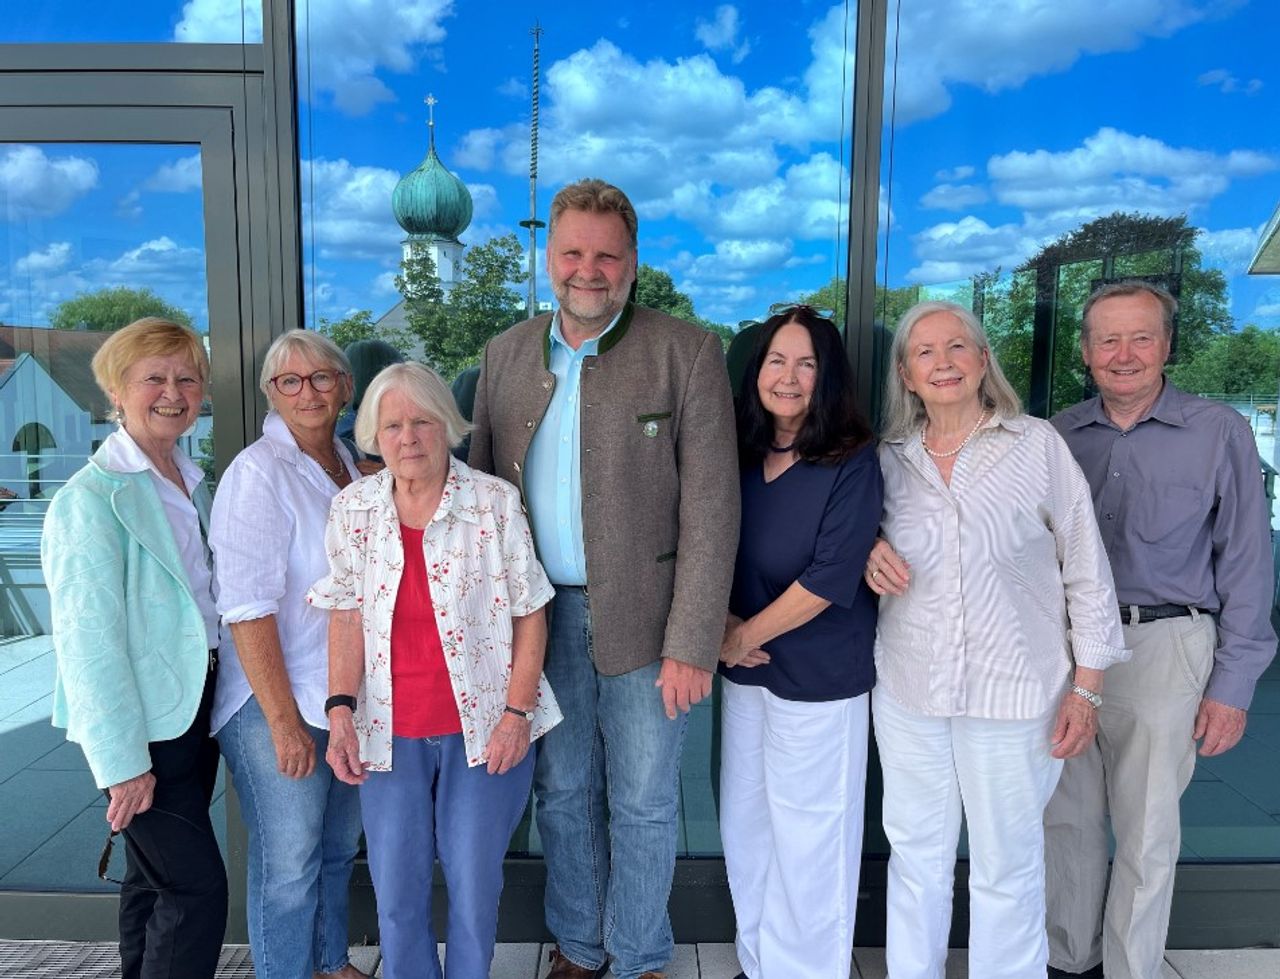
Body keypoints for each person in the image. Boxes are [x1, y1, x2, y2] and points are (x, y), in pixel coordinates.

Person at [469, 178, 739, 979]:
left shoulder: (685, 350)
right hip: (538, 624)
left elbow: (714, 511)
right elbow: (480, 498)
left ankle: (642, 954)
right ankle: (581, 947)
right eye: (574, 253)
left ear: (632, 262)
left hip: (653, 626)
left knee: (647, 801)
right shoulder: (505, 354)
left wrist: (693, 640)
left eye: (607, 255)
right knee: (562, 794)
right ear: (549, 257)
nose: (589, 270)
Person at [864, 300, 1129, 979]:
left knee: (1006, 863)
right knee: (917, 856)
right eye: (926, 351)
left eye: (959, 346)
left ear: (983, 361)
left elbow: (1087, 569)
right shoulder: (888, 461)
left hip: (1015, 694)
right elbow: (849, 544)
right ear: (906, 373)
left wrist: (1088, 688)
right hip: (910, 690)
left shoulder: (1036, 445)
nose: (944, 361)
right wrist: (869, 552)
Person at [1043, 280, 1278, 979]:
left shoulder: (1218, 431)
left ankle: (1129, 969)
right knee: (1067, 821)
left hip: (1165, 646)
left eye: (1140, 337)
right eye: (1107, 339)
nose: (1124, 354)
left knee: (1148, 830)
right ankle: (1068, 963)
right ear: (1085, 352)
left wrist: (1233, 684)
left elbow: (1246, 563)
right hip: (1067, 651)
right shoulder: (1057, 435)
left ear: (1167, 344)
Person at [310, 361, 562, 979]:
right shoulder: (353, 510)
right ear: (373, 434)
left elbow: (531, 614)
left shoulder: (493, 503)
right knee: (396, 892)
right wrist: (339, 709)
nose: (408, 437)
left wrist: (516, 714)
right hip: (386, 731)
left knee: (475, 891)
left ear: (446, 425)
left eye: (421, 421)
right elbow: (343, 613)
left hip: (484, 727)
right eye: (391, 425)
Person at [41, 317, 227, 979]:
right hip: (141, 728)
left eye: (187, 377)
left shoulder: (184, 475)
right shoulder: (91, 499)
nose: (174, 392)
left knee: (151, 881)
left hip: (193, 709)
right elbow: (89, 646)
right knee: (195, 887)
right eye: (155, 378)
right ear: (117, 391)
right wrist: (122, 762)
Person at [717, 306, 882, 979]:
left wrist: (742, 635)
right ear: (756, 371)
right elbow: (709, 544)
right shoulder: (739, 450)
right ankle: (759, 965)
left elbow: (831, 575)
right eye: (776, 360)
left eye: (806, 363)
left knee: (812, 841)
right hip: (746, 675)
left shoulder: (851, 460)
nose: (788, 376)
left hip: (819, 678)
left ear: (828, 377)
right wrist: (726, 626)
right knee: (747, 830)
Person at [208, 330, 365, 979]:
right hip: (275, 703)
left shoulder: (350, 462)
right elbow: (245, 608)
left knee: (333, 850)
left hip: (342, 697)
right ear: (271, 392)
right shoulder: (257, 472)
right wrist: (280, 721)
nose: (308, 391)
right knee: (289, 865)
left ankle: (329, 965)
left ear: (344, 387)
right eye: (290, 381)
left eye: (322, 377)